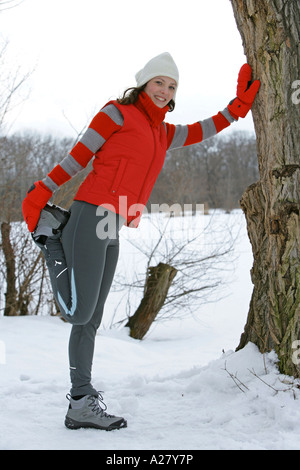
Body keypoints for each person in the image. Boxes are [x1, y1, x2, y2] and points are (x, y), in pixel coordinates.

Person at [22, 52, 260, 431]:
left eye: (172, 86)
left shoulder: (161, 131)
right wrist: (43, 189)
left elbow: (201, 130)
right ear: (143, 83)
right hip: (91, 213)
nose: (165, 91)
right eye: (159, 83)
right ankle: (53, 242)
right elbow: (79, 156)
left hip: (112, 224)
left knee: (91, 319)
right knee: (78, 313)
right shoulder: (116, 113)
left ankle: (80, 402)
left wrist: (236, 109)